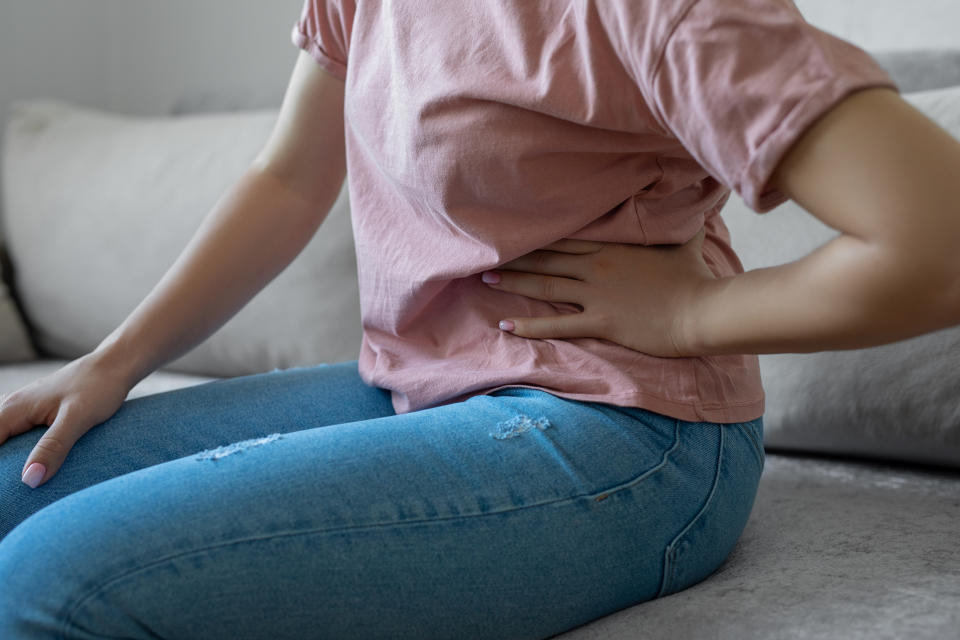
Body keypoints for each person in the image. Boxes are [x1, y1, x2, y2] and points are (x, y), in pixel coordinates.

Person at [1, 0, 959, 637]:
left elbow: (938, 241)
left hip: (629, 430)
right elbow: (289, 178)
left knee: (48, 585)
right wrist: (113, 361)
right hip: (419, 386)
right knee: (13, 482)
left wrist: (697, 311)